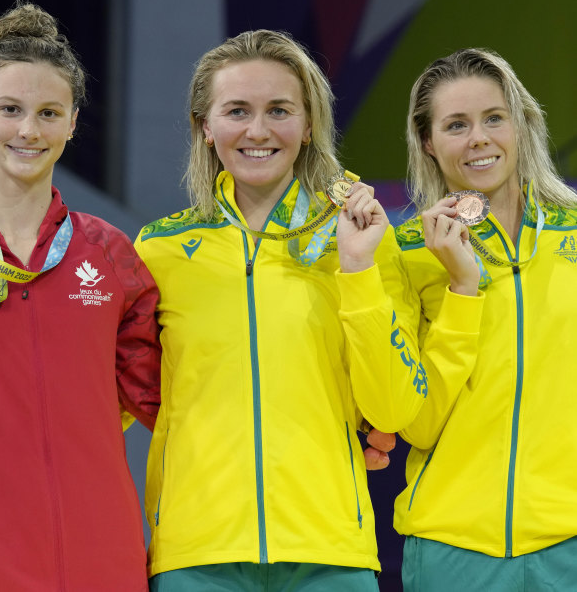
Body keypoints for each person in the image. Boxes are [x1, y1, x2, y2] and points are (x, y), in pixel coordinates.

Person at [134, 29, 479, 592]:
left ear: (310, 123)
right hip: (196, 555)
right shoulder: (159, 251)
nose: (258, 130)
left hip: (330, 554)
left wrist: (358, 270)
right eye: (237, 111)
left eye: (279, 110)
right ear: (205, 126)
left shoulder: (364, 238)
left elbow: (392, 409)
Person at [0, 0, 161, 591]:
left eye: (49, 112)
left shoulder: (110, 255)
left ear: (73, 121)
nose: (28, 130)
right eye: (10, 110)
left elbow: (172, 398)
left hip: (104, 558)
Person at [387, 47, 577, 591]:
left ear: (521, 123)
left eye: (494, 118)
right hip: (454, 548)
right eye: (456, 125)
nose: (479, 138)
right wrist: (459, 288)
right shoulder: (405, 253)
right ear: (427, 141)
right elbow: (416, 422)